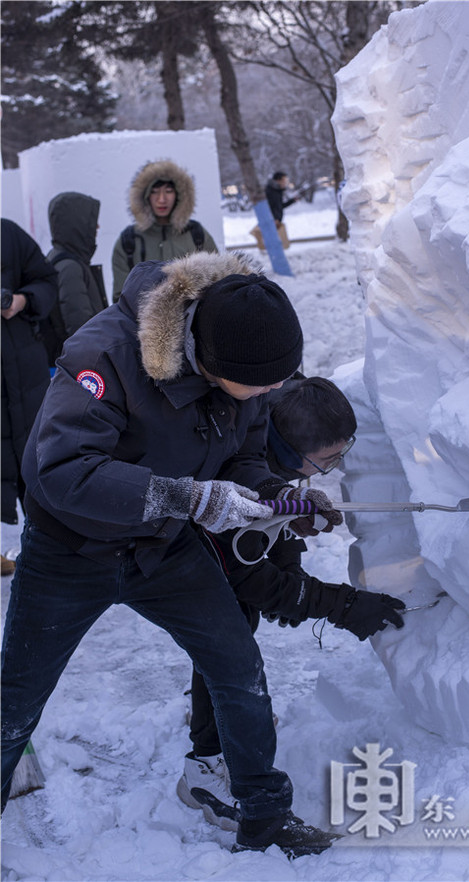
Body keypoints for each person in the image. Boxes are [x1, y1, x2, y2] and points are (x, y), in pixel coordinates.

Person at [0, 249, 343, 857]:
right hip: (69, 552)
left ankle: (262, 814)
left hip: (163, 547)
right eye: (264, 382)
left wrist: (277, 497)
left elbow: (245, 455)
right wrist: (187, 498)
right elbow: (59, 469)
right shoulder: (102, 355)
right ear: (211, 362)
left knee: (238, 666)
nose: (275, 390)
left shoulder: (249, 368)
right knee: (16, 701)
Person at [177, 376, 407, 829]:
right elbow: (247, 578)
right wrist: (340, 605)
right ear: (285, 450)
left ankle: (221, 716)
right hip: (163, 551)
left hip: (224, 541)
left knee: (233, 637)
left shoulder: (277, 411)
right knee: (229, 636)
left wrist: (292, 566)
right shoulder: (232, 470)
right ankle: (203, 766)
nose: (332, 468)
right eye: (326, 462)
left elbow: (274, 518)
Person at [1, 218, 58, 576]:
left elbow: (47, 280)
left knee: (36, 466)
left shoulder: (7, 234)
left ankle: (46, 554)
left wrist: (22, 300)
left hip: (24, 376)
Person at [111, 159, 218, 302]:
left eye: (168, 191)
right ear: (145, 196)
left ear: (179, 194)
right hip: (143, 323)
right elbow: (121, 298)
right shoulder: (129, 241)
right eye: (155, 192)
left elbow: (219, 281)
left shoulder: (196, 234)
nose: (162, 199)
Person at [42, 191, 108, 367]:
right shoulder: (69, 267)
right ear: (77, 224)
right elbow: (80, 327)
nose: (97, 227)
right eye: (91, 221)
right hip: (83, 366)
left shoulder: (61, 259)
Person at [251, 171, 299, 251]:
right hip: (273, 221)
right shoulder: (271, 191)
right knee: (273, 245)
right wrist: (274, 218)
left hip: (276, 220)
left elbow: (280, 206)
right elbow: (269, 207)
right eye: (284, 181)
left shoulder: (277, 191)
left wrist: (292, 201)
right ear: (278, 180)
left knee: (277, 245)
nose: (286, 183)